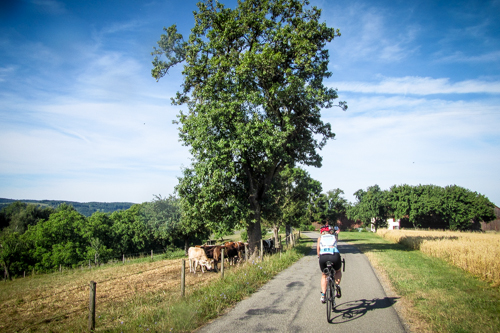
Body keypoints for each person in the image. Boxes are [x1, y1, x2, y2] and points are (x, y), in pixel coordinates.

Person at [317, 225, 342, 303]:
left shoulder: (320, 238)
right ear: (330, 231)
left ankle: (323, 295)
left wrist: (319, 257)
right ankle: (337, 285)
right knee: (338, 271)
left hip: (323, 256)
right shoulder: (334, 237)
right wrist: (336, 233)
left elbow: (318, 249)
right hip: (334, 256)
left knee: (324, 275)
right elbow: (336, 243)